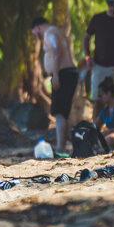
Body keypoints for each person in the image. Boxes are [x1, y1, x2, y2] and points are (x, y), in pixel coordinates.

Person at [32, 16, 79, 152]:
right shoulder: (56, 32)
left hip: (63, 73)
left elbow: (57, 50)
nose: (36, 37)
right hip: (67, 72)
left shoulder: (49, 33)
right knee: (62, 112)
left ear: (37, 28)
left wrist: (56, 74)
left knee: (59, 111)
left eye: (35, 33)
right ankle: (62, 144)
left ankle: (60, 146)